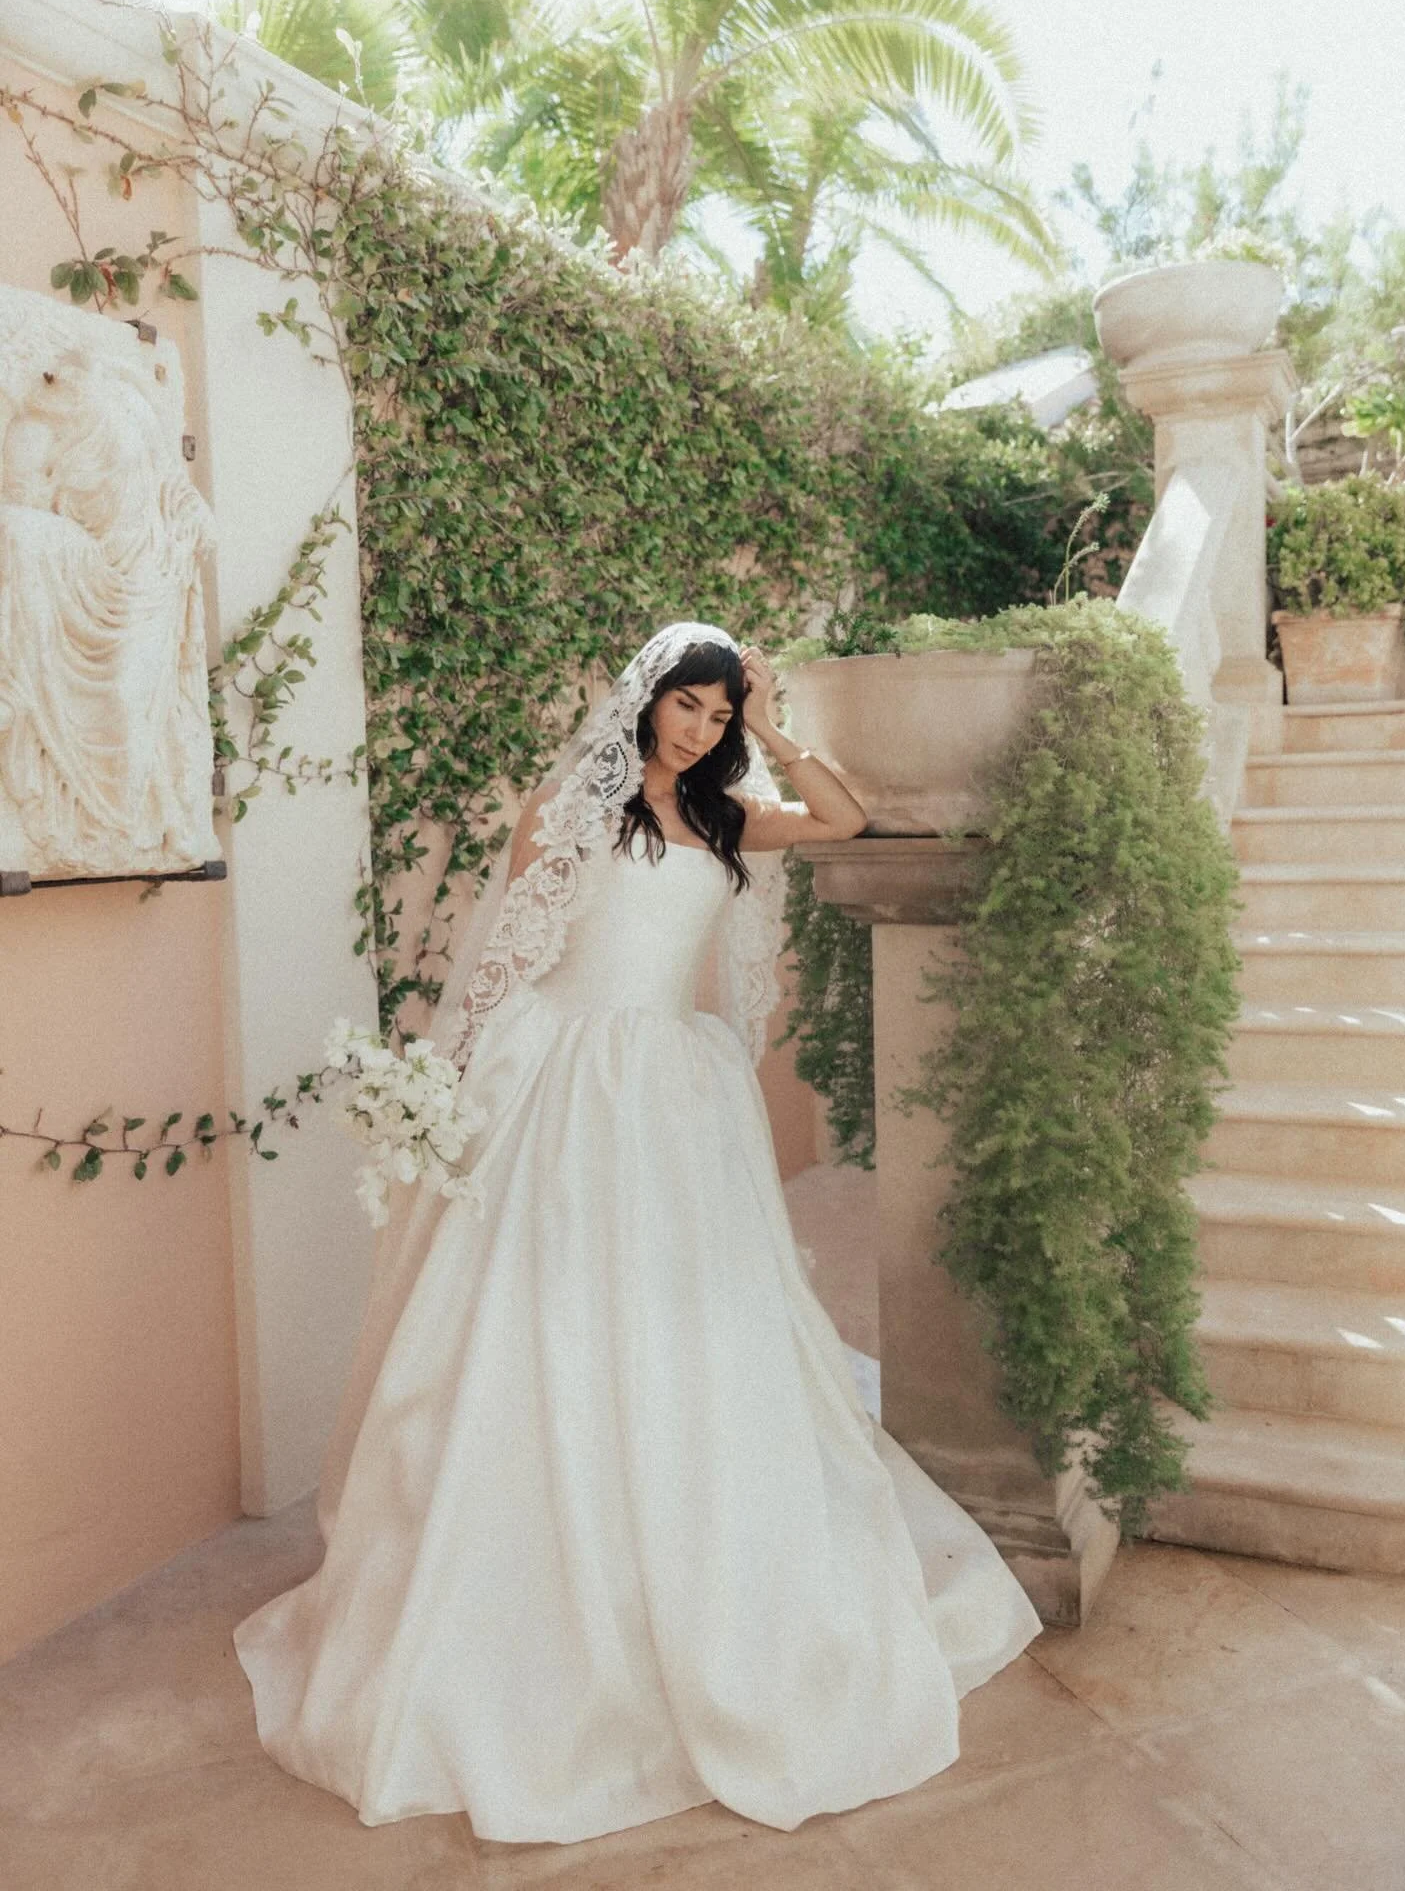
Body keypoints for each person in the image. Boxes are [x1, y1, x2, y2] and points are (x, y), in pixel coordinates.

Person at [232, 620, 1043, 1845]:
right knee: (547, 1319)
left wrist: (773, 727)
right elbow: (503, 963)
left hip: (676, 1091)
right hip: (567, 1083)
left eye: (719, 716)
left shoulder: (726, 818)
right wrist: (445, 1097)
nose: (701, 729)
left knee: (690, 1325)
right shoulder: (573, 805)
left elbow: (841, 821)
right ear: (650, 697)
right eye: (692, 707)